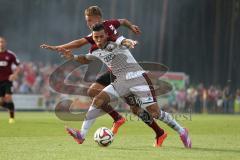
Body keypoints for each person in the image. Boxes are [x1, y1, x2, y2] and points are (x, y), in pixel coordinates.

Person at [41, 6, 167, 147]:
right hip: (113, 71)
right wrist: (59, 47)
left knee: (135, 108)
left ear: (98, 18)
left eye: (89, 20)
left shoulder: (108, 26)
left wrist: (130, 34)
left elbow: (120, 35)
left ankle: (159, 132)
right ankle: (113, 119)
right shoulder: (95, 34)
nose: (87, 23)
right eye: (86, 20)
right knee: (93, 92)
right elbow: (80, 42)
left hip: (125, 72)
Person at [65, 23, 192, 148]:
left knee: (155, 113)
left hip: (138, 79)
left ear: (105, 35)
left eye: (101, 36)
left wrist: (130, 42)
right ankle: (81, 134)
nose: (98, 39)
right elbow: (87, 59)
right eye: (95, 37)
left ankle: (182, 131)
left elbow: (124, 41)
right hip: (120, 82)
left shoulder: (114, 40)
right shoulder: (94, 49)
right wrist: (74, 57)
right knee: (98, 100)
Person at [0, 37, 20, 124]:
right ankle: (11, 108)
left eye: (2, 42)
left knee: (8, 97)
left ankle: (11, 118)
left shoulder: (10, 55)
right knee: (1, 102)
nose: (1, 43)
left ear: (5, 43)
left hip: (7, 80)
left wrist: (14, 74)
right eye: (0, 42)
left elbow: (18, 65)